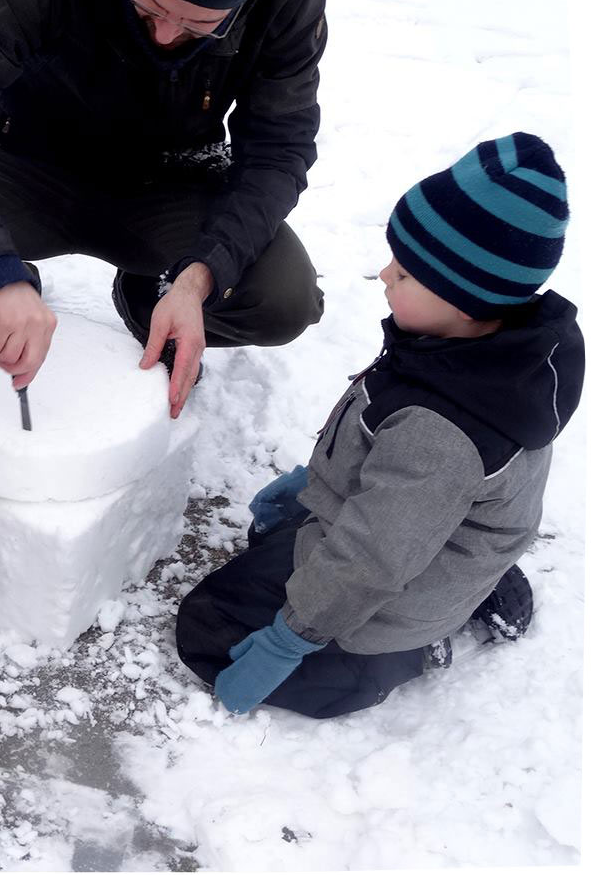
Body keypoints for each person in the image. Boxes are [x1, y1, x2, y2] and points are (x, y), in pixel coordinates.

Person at [176, 133, 582, 718]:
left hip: (390, 603)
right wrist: (313, 486)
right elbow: (395, 475)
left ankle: (416, 649)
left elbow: (372, 559)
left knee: (210, 630)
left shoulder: (443, 433)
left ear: (466, 300)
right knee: (281, 544)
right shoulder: (474, 350)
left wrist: (288, 641)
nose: (387, 276)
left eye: (408, 275)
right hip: (421, 537)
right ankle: (473, 583)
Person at [0, 0, 328, 418]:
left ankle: (153, 298)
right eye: (151, 5)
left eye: (198, 25)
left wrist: (198, 278)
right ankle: (2, 292)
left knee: (280, 299)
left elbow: (278, 150)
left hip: (173, 180)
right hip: (29, 160)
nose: (167, 34)